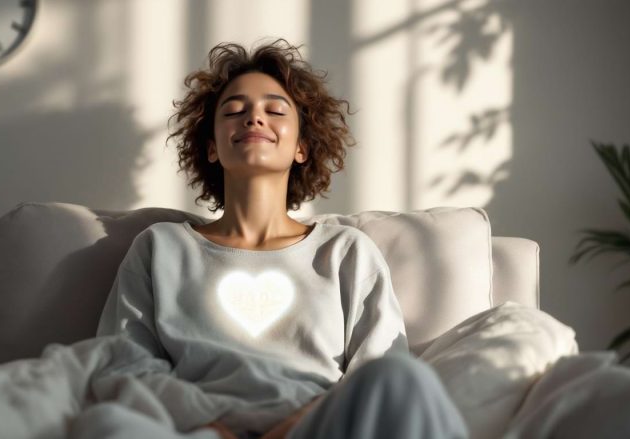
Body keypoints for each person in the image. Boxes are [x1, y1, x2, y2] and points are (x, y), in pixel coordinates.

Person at [94, 39, 469, 439]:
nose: (254, 118)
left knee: (403, 377)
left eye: (274, 110)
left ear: (303, 147)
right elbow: (123, 366)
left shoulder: (346, 252)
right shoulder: (161, 248)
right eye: (235, 110)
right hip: (196, 431)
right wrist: (213, 428)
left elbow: (376, 367)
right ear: (211, 148)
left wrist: (293, 427)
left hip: (317, 430)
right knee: (107, 422)